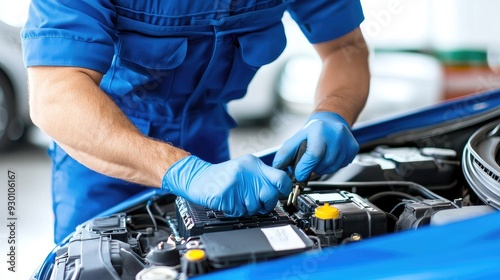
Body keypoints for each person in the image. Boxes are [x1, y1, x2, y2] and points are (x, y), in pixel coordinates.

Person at [22, 0, 370, 243]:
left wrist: (333, 112)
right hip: (103, 151)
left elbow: (346, 48)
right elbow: (55, 95)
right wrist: (184, 171)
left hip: (209, 142)